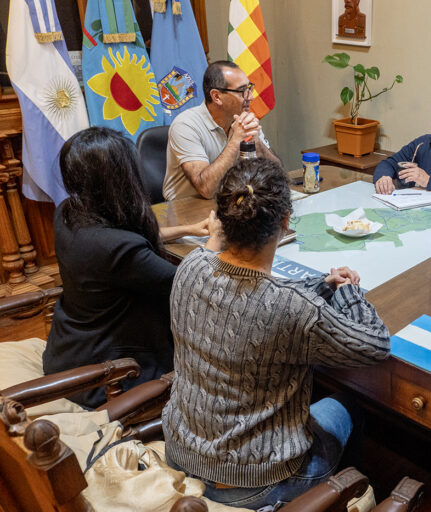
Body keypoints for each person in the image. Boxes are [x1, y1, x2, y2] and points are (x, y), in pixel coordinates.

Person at [162, 158, 390, 510]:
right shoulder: (293, 309)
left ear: (223, 218)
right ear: (286, 222)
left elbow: (265, 299)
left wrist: (320, 284)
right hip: (252, 483)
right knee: (347, 406)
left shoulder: (191, 266)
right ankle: (346, 498)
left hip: (180, 451)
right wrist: (347, 290)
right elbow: (375, 345)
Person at [43, 127, 211, 409]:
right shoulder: (119, 250)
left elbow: (124, 238)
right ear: (120, 177)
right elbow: (188, 281)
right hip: (110, 373)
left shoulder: (69, 212)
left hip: (69, 349)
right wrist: (215, 242)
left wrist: (188, 229)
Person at [163, 60, 281, 201]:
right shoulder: (185, 125)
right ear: (217, 97)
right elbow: (206, 189)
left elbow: (278, 175)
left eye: (250, 88)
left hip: (231, 204)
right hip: (185, 210)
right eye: (243, 91)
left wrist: (257, 142)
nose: (251, 97)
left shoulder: (243, 121)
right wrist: (236, 140)